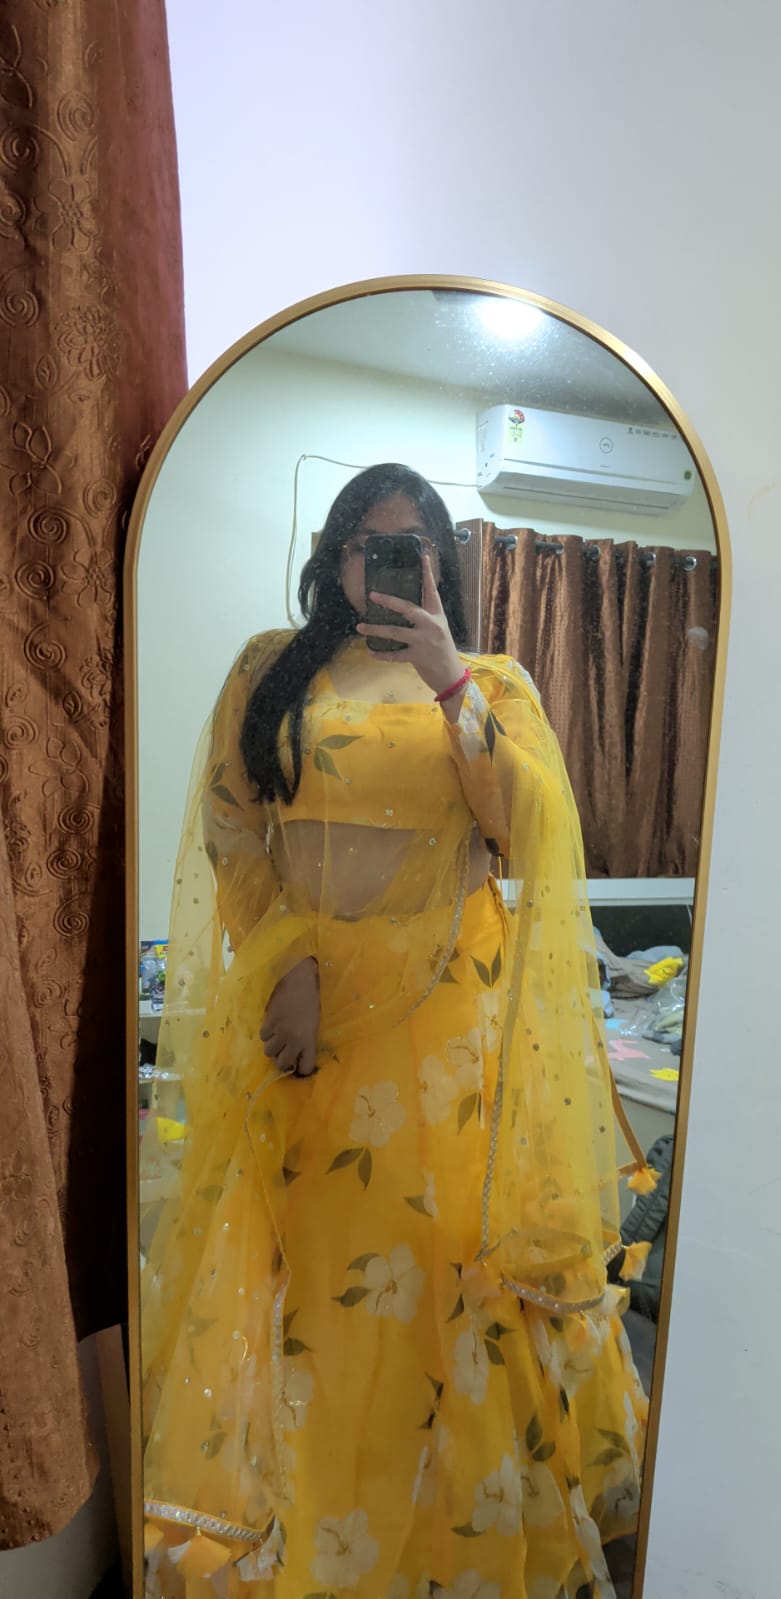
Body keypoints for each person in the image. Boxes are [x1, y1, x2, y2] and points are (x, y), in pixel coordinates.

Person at [141, 464, 655, 1599]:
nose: (385, 563)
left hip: (449, 1026)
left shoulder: (491, 681)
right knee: (310, 1263)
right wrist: (288, 965)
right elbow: (233, 827)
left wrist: (447, 683)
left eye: (411, 546)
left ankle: (451, 1545)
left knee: (445, 1271)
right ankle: (311, 1532)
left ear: (438, 564)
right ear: (332, 558)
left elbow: (530, 832)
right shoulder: (268, 671)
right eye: (366, 544)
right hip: (308, 1014)